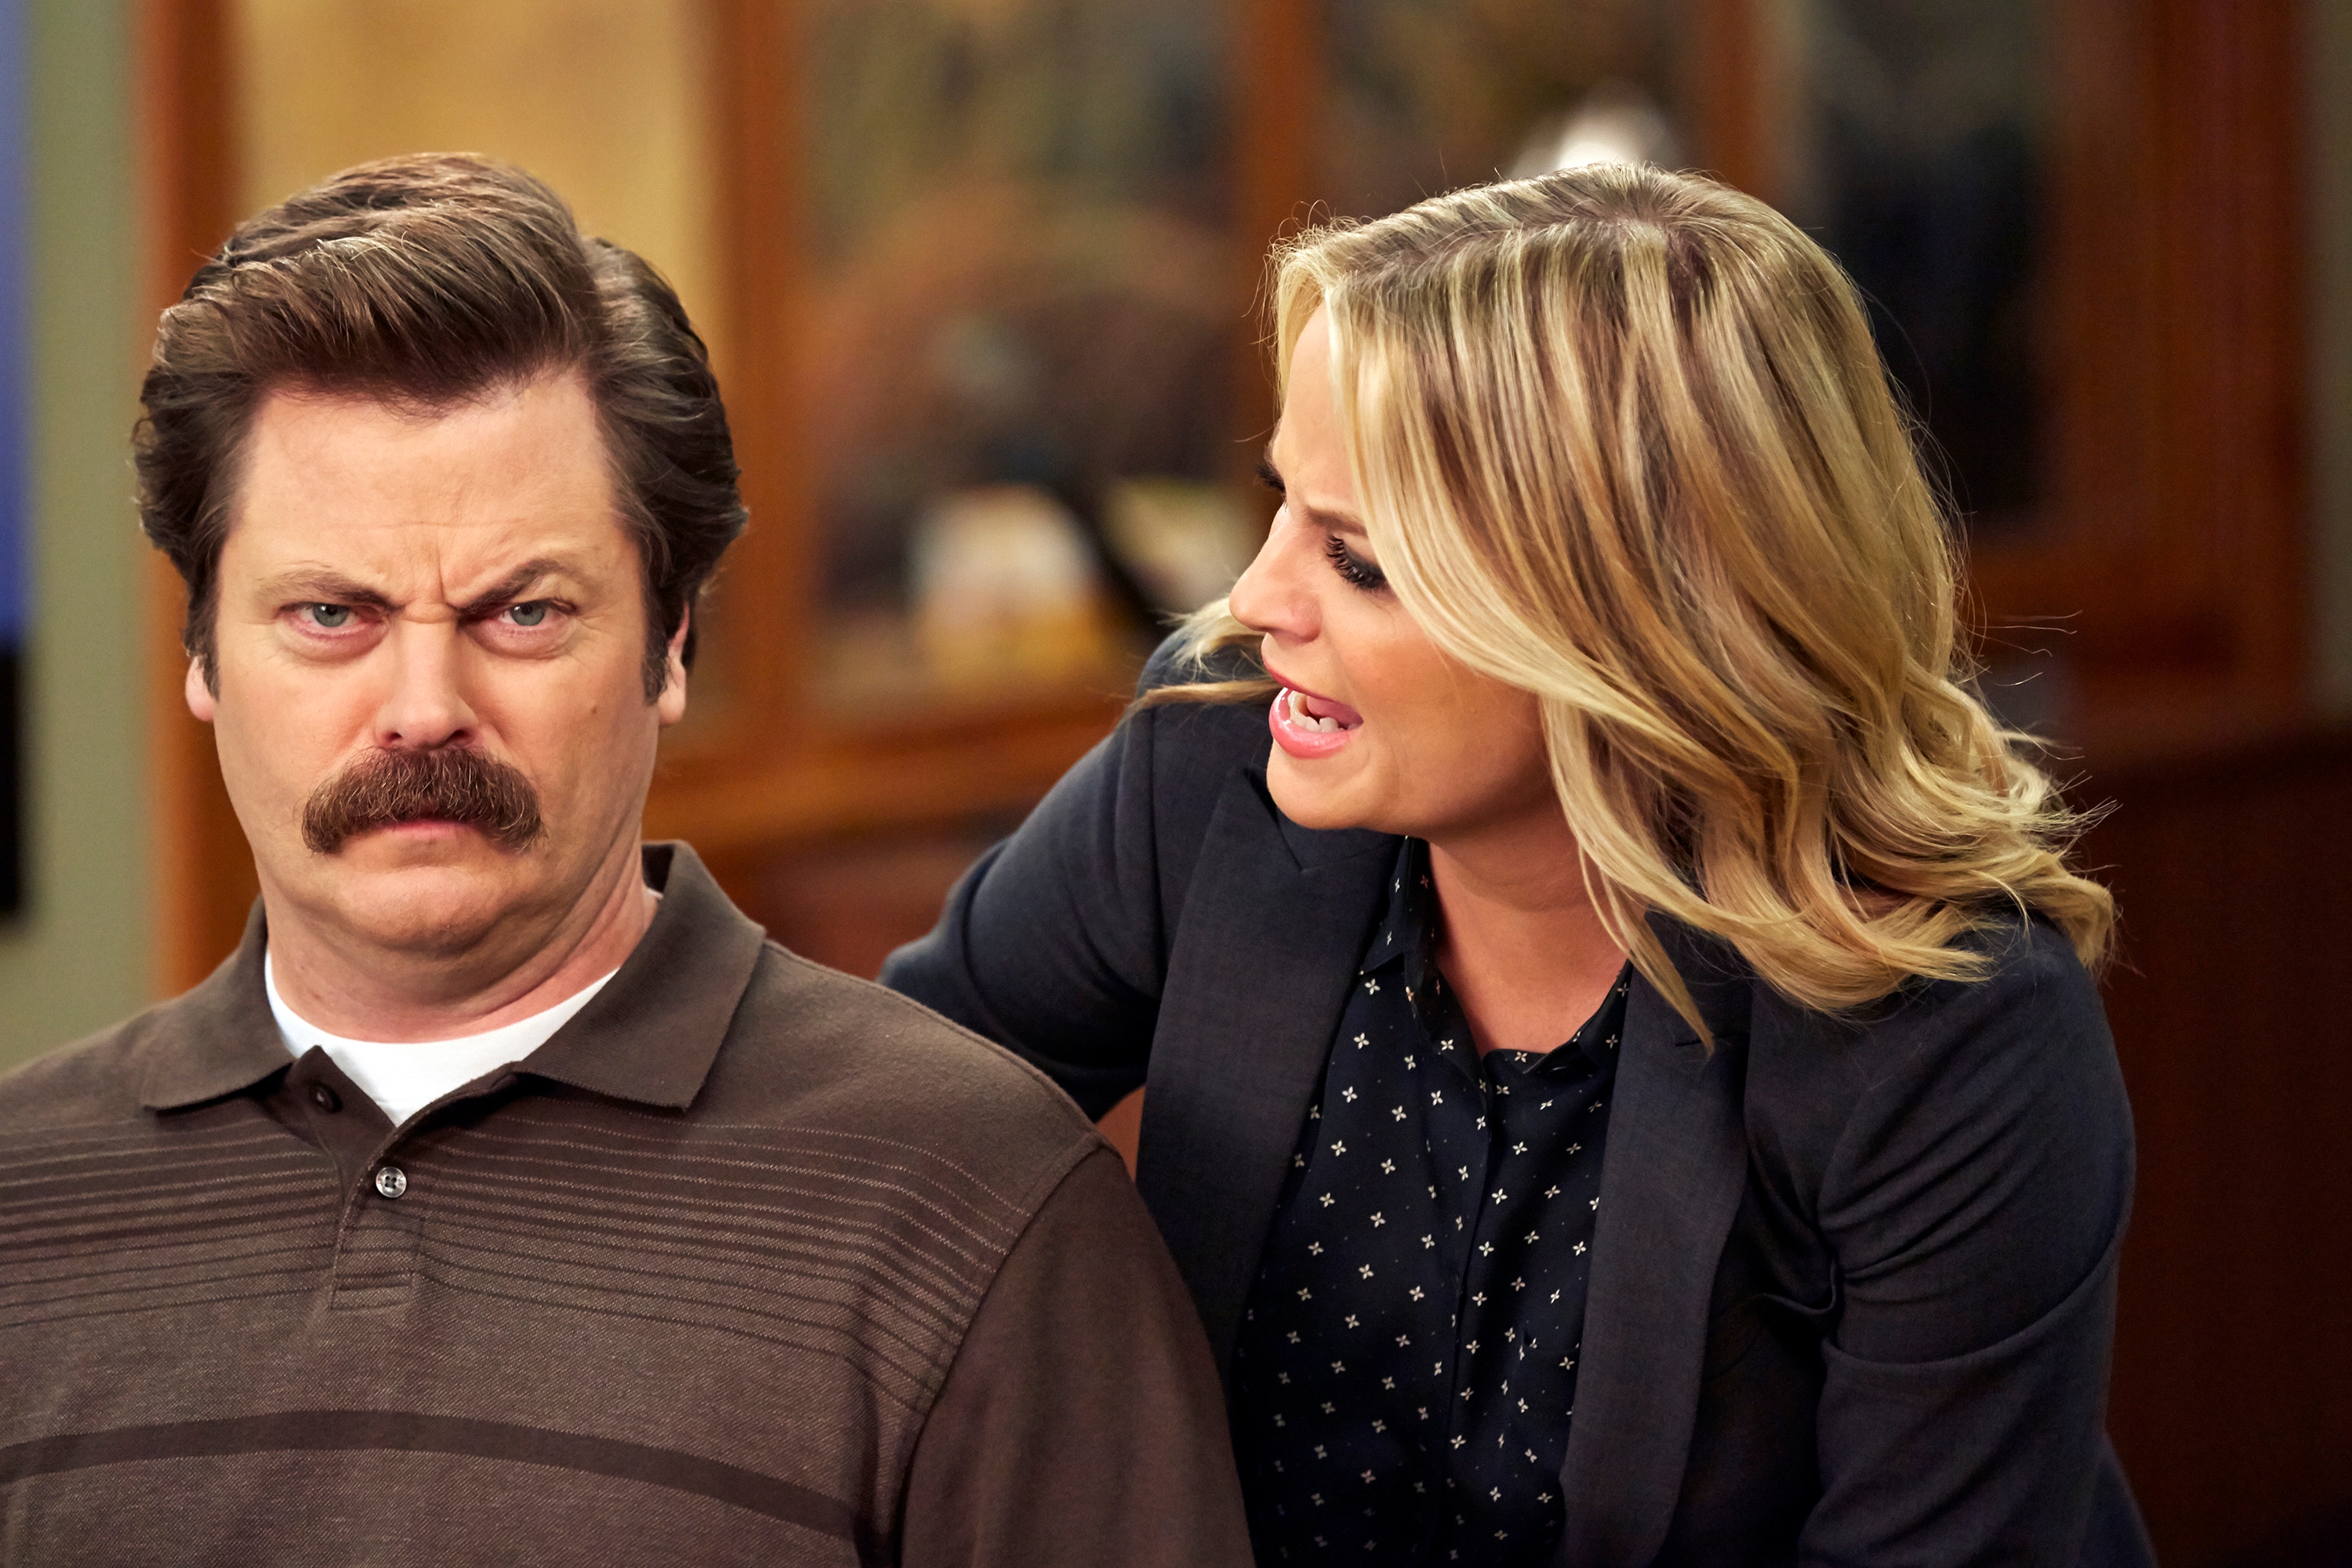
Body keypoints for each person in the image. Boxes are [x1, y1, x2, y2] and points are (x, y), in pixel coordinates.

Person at [884, 163, 2154, 1566]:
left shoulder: (1952, 1034)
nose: (1253, 600)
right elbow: (881, 1145)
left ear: (1631, 624)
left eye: (1358, 561)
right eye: (1279, 505)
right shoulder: (1209, 769)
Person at [0, 154, 1248, 1566]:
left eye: (524, 612)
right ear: (203, 656)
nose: (425, 706)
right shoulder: (21, 1210)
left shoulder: (976, 1206)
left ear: (669, 647)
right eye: (333, 615)